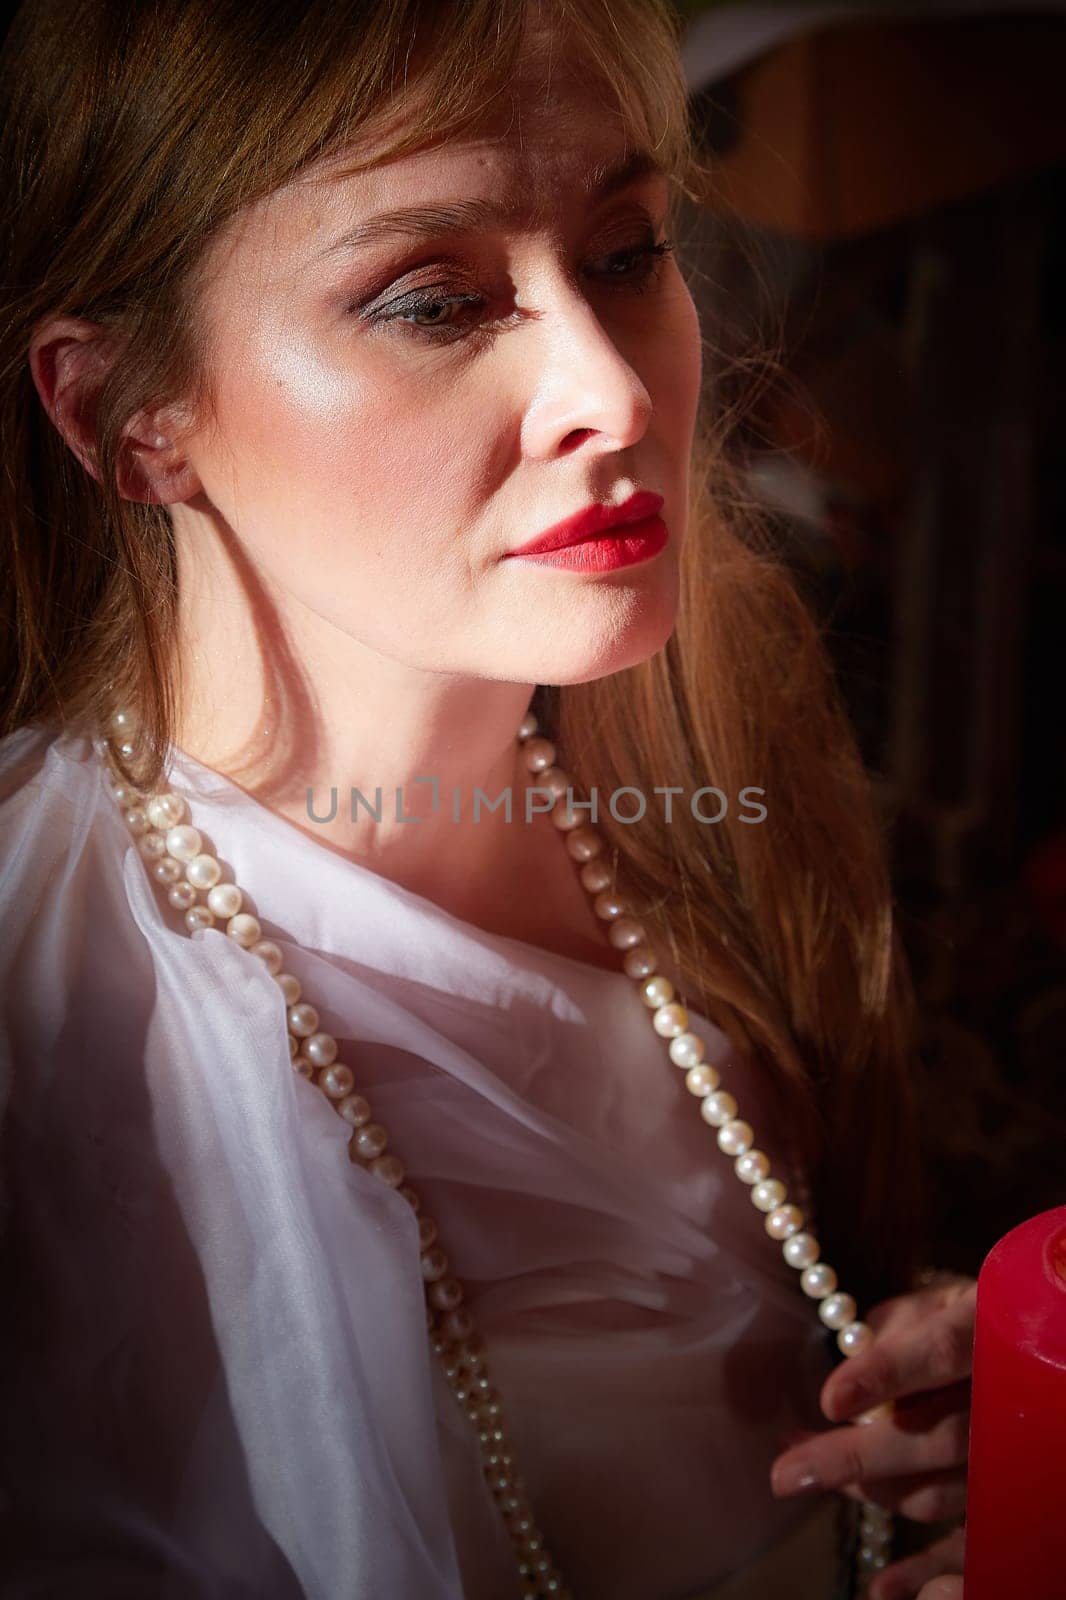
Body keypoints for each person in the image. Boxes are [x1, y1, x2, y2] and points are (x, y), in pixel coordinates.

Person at [0, 0, 974, 1595]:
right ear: (124, 415)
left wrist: (943, 1425)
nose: (611, 390)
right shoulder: (46, 1025)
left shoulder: (709, 798)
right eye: (435, 300)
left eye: (623, 252)